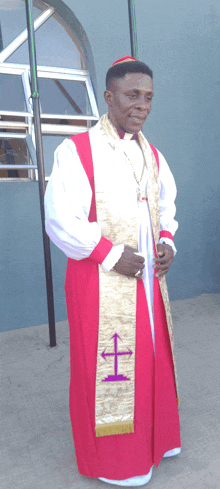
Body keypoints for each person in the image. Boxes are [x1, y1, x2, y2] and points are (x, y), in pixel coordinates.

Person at [44, 56, 181, 487]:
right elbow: (60, 219)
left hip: (146, 280)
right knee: (107, 366)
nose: (141, 105)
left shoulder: (153, 154)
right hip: (99, 279)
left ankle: (154, 444)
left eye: (148, 97)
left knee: (152, 357)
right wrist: (106, 253)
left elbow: (166, 207)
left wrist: (167, 242)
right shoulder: (76, 150)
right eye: (132, 95)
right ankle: (118, 462)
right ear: (109, 97)